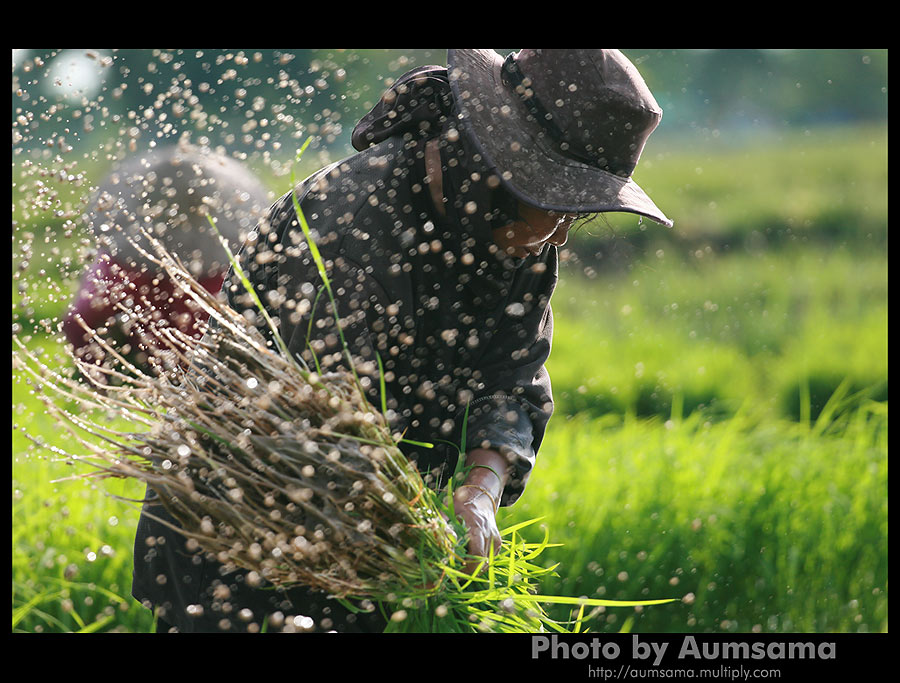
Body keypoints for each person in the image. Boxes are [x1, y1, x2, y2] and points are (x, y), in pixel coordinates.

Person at [133, 48, 672, 633]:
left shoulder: (519, 234)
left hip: (363, 544)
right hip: (239, 527)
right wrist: (408, 522)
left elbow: (512, 376)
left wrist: (482, 488)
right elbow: (329, 418)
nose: (558, 232)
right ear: (490, 160)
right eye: (552, 202)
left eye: (575, 211)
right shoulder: (351, 215)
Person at [62, 141, 269, 373]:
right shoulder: (228, 272)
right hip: (206, 374)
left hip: (157, 370)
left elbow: (78, 323)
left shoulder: (120, 267)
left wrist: (97, 375)